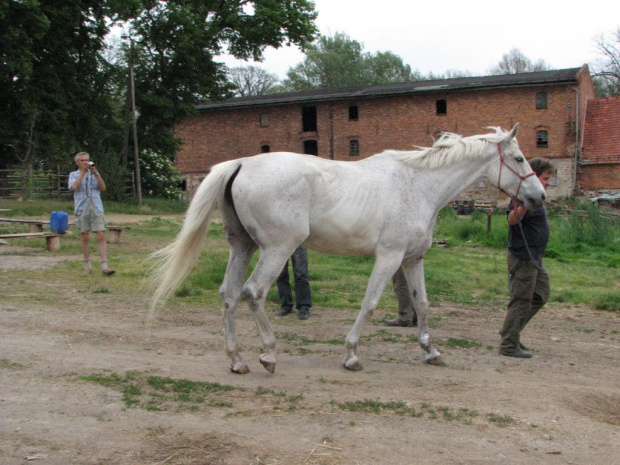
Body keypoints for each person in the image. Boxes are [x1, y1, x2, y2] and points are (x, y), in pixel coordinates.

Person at [499, 158, 553, 358]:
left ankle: (510, 331)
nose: (548, 182)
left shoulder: (535, 197)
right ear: (535, 176)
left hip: (535, 258)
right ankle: (508, 345)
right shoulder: (522, 197)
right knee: (521, 299)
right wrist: (521, 207)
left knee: (541, 294)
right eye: (545, 178)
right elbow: (512, 220)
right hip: (523, 257)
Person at [69, 152, 115, 276]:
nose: (85, 162)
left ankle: (105, 266)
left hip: (96, 206)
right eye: (82, 160)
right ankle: (88, 266)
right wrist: (83, 173)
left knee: (100, 234)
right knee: (84, 236)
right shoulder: (74, 175)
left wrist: (96, 173)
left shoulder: (94, 174)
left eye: (87, 160)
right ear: (77, 162)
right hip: (82, 207)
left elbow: (103, 188)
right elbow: (74, 187)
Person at [276, 245, 312, 320]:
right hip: (280, 241)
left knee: (301, 274)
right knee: (281, 273)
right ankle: (285, 305)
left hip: (298, 240)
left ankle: (304, 306)